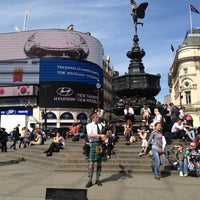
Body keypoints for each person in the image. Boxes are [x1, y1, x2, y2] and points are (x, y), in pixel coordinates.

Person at [85, 112, 107, 188]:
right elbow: (90, 135)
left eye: (98, 117)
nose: (98, 118)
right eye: (96, 117)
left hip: (101, 144)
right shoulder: (89, 125)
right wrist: (100, 135)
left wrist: (107, 135)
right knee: (91, 163)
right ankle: (90, 180)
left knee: (99, 163)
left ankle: (97, 179)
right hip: (94, 144)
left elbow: (105, 134)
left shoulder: (101, 125)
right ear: (93, 118)